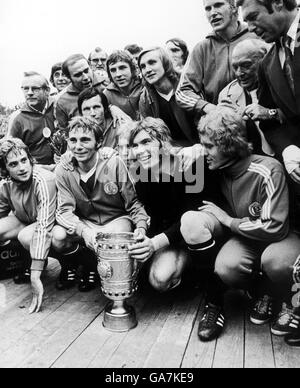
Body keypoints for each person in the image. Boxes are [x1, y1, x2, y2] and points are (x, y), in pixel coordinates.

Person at [181, 106, 300, 342]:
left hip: (281, 238)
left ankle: (289, 299)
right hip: (249, 238)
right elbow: (174, 176)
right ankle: (263, 291)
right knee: (226, 267)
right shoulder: (219, 169)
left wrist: (228, 220)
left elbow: (274, 227)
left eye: (209, 146)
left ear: (229, 144)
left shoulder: (267, 169)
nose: (205, 152)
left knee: (275, 261)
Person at [237, 0, 300, 345]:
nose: (249, 26)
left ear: (277, 3)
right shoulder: (268, 61)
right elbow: (272, 114)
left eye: (252, 16)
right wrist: (287, 148)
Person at [127, 118, 221, 301]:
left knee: (161, 278)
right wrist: (143, 239)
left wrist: (154, 244)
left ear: (162, 141)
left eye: (146, 142)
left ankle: (204, 279)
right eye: (135, 145)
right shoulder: (144, 174)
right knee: (152, 279)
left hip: (203, 231)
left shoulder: (191, 165)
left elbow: (192, 216)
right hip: (172, 236)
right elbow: (157, 217)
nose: (140, 151)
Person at [53, 116, 149, 292]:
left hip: (115, 220)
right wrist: (84, 231)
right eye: (73, 140)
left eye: (85, 140)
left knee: (115, 237)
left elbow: (133, 203)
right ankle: (88, 264)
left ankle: (113, 279)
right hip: (87, 223)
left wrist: (141, 228)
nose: (78, 146)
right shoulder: (63, 169)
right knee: (58, 237)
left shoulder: (114, 162)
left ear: (99, 142)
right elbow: (63, 211)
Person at [176, 0, 255, 123]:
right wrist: (210, 108)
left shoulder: (256, 36)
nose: (213, 12)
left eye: (218, 5)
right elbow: (182, 92)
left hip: (261, 121)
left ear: (234, 7)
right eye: (208, 8)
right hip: (223, 126)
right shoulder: (201, 48)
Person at [0, 138, 56, 313]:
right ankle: (25, 259)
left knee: (26, 236)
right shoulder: (6, 184)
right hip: (26, 221)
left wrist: (35, 274)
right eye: (13, 164)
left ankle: (67, 264)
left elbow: (44, 225)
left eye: (24, 160)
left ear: (30, 159)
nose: (22, 167)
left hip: (52, 223)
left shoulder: (42, 179)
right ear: (5, 169)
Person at [218, 38, 274, 156]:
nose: (239, 73)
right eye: (235, 67)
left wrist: (270, 113)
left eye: (246, 65)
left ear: (265, 59)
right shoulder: (227, 96)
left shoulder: (279, 83)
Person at [56, 54, 128, 131]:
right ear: (69, 78)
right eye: (78, 75)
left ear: (90, 66)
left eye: (86, 71)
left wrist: (112, 108)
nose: (86, 77)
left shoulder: (108, 84)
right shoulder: (62, 102)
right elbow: (64, 133)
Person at [8, 71, 57, 169]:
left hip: (65, 166)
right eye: (26, 89)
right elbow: (11, 153)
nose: (29, 93)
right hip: (36, 171)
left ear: (47, 91)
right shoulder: (18, 118)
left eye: (35, 89)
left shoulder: (57, 106)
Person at [104, 50, 142, 120]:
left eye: (122, 68)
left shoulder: (144, 86)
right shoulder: (107, 95)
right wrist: (110, 108)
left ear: (132, 68)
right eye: (113, 70)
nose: (118, 74)